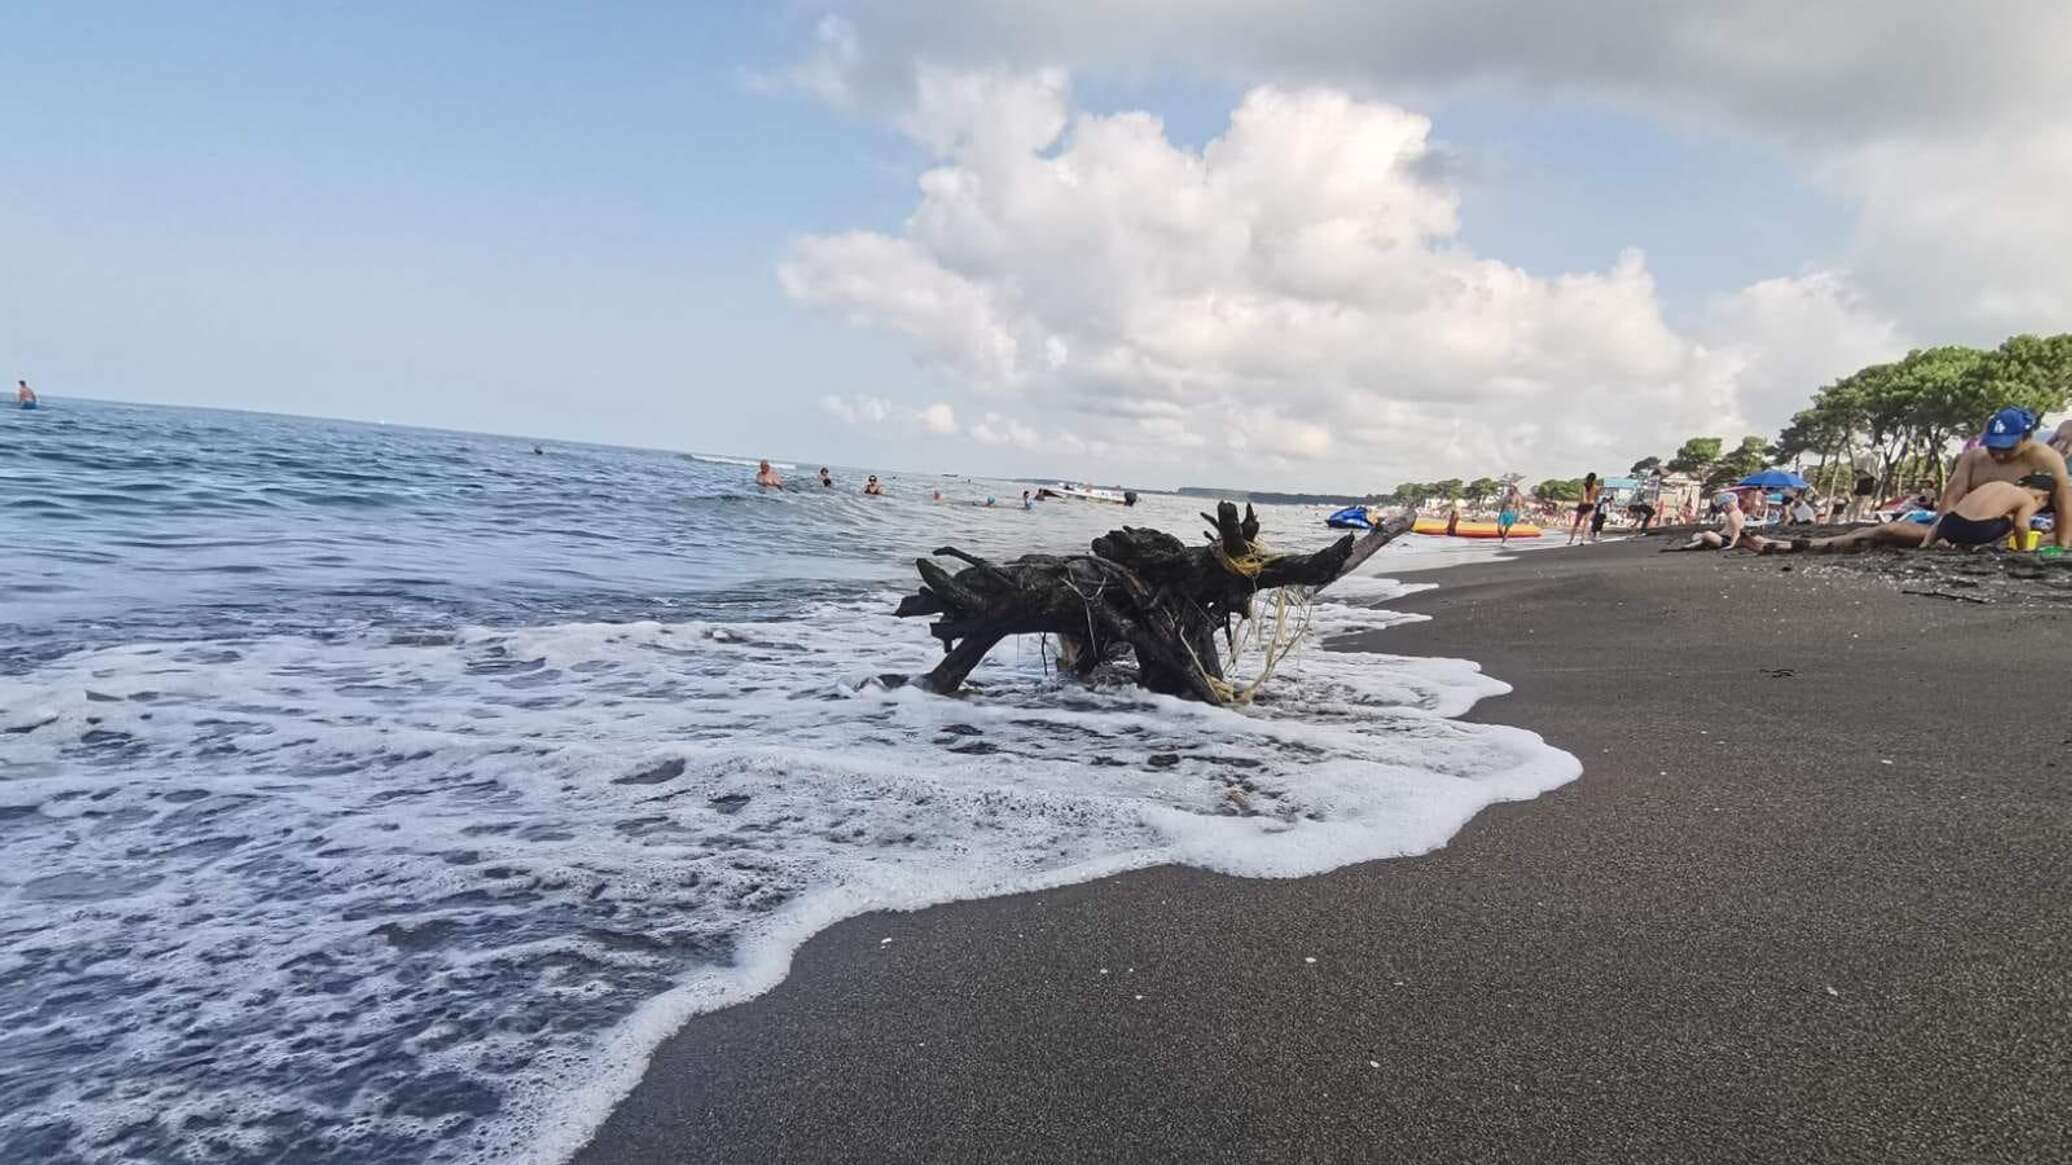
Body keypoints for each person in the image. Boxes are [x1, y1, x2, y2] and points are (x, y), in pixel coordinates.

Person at [1749, 472, 2058, 555]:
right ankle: (1792, 546)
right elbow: (2020, 527)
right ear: (2041, 494)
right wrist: (2026, 548)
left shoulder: (1995, 486)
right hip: (1973, 535)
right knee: (2024, 530)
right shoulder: (2027, 499)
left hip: (1947, 526)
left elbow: (1947, 517)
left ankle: (1790, 545)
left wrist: (1929, 542)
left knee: (1878, 533)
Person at [1930, 406, 2072, 550]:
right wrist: (1940, 536)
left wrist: (2062, 546)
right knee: (1913, 530)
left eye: (2008, 448)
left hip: (2010, 531)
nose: (1999, 455)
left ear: (2027, 438)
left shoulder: (2046, 459)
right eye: (1992, 447)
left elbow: (2064, 505)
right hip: (1963, 525)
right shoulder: (1974, 458)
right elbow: (1949, 500)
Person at [1663, 491, 1749, 552]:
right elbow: (1727, 530)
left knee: (1707, 534)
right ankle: (1696, 544)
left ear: (1729, 504)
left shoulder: (1733, 515)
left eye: (1724, 507)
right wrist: (1718, 534)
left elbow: (1737, 531)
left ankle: (1694, 545)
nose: (1723, 510)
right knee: (1701, 535)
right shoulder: (1734, 513)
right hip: (1726, 538)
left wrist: (1731, 545)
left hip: (1729, 541)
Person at [1567, 473, 1600, 545]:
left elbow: (1585, 497)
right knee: (1583, 523)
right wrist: (1594, 504)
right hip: (1587, 505)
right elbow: (1595, 499)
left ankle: (1573, 540)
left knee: (1579, 523)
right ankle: (1579, 540)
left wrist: (1592, 503)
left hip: (1585, 505)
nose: (1590, 481)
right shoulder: (1594, 487)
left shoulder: (1587, 487)